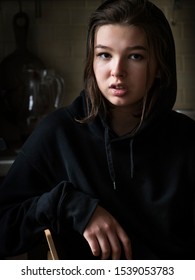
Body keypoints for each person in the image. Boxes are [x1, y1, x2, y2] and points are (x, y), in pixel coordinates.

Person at [0, 0, 195, 260]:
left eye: (135, 56)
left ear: (159, 66)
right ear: (91, 60)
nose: (117, 71)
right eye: (104, 54)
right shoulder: (58, 133)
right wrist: (67, 204)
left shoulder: (187, 139)